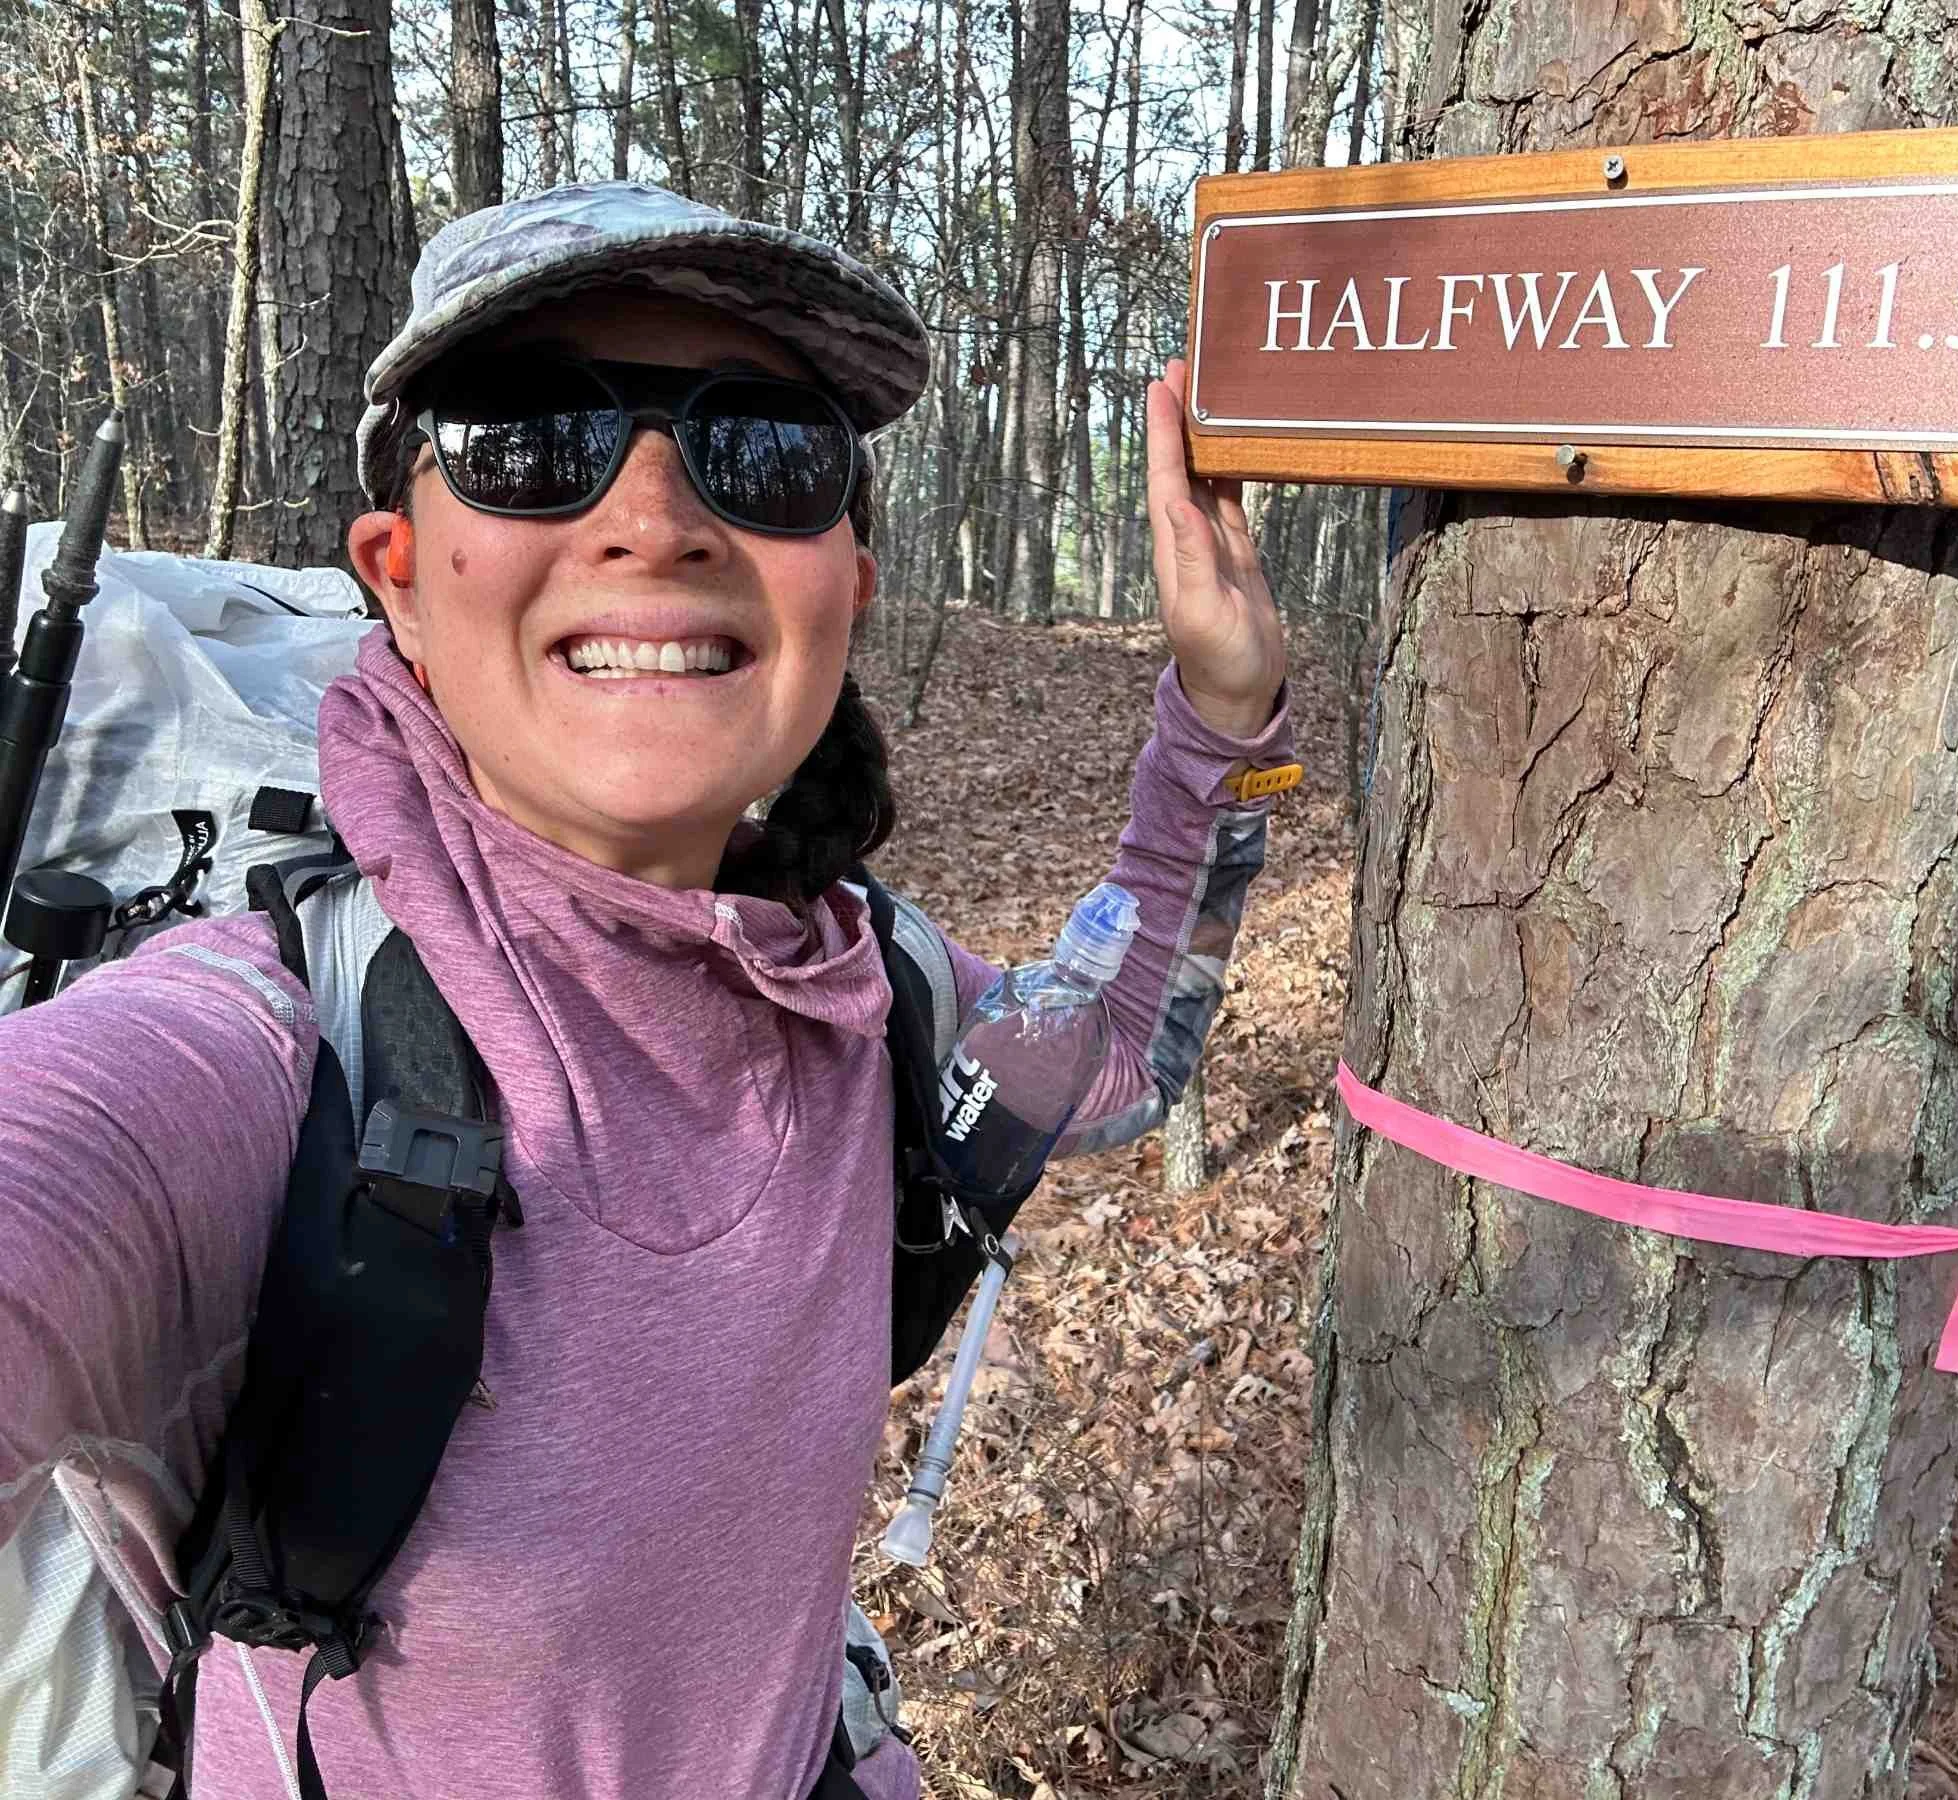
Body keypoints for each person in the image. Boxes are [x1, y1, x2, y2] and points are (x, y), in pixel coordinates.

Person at [0, 181, 1293, 1798]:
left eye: (767, 448)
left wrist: (1222, 714)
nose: (657, 517)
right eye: (530, 436)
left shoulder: (871, 994)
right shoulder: (263, 1055)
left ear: (846, 586)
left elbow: (1112, 1055)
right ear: (399, 576)